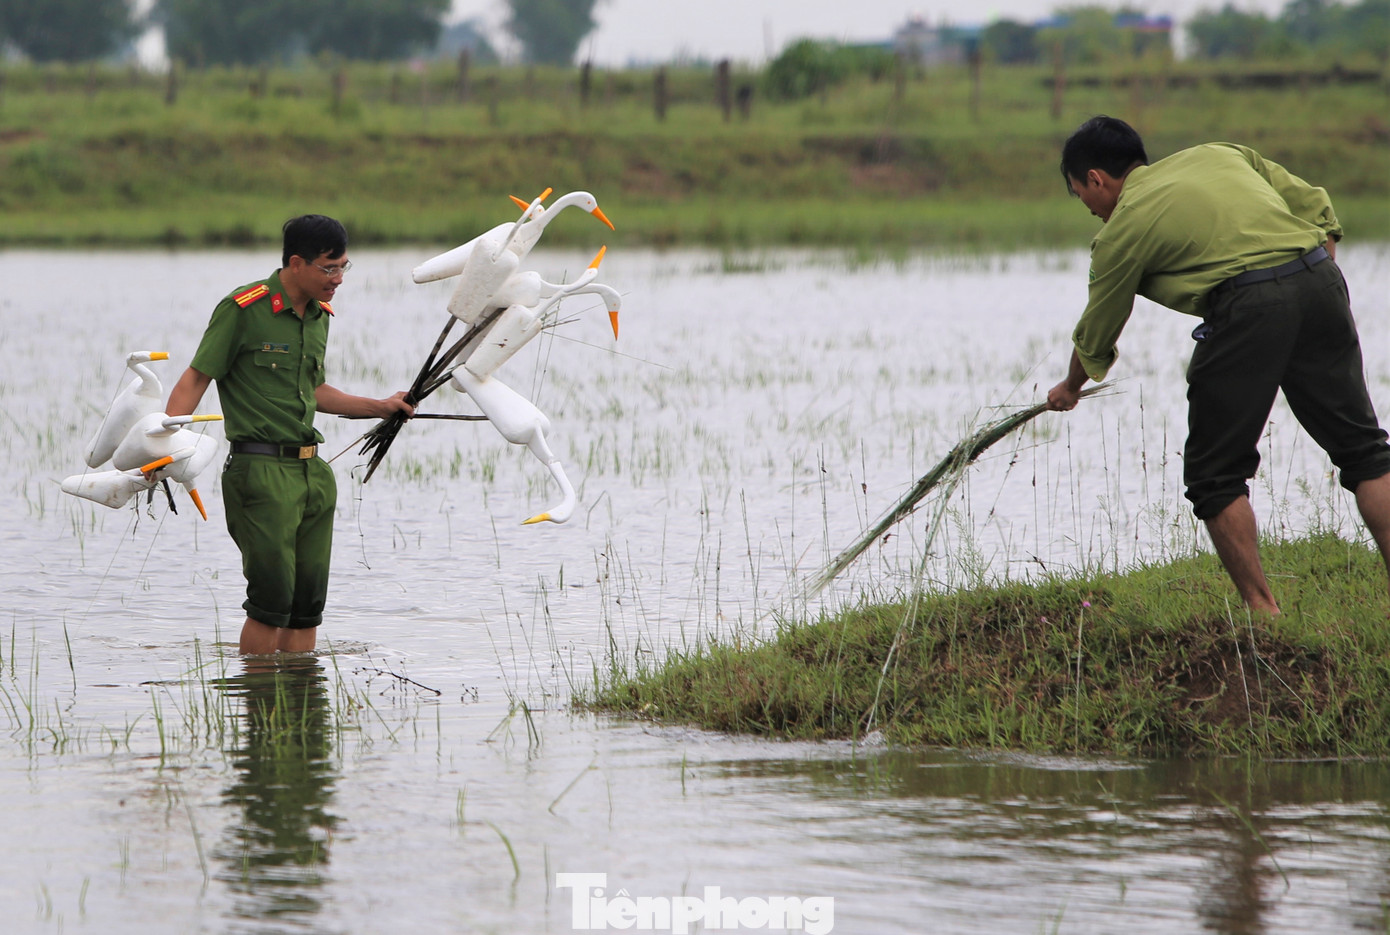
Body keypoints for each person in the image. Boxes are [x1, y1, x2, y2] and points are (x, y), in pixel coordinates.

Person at [1046, 115, 1390, 614]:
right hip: (1319, 279)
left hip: (1248, 305)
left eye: (1083, 197)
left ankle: (1263, 615)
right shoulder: (1221, 153)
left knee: (1214, 476)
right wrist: (1314, 274)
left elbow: (1097, 331)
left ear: (1096, 179)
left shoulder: (1122, 231)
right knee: (1365, 453)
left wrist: (1070, 387)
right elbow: (1314, 203)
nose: (1092, 211)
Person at [166, 215, 414, 654]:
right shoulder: (243, 308)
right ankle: (259, 693)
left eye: (343, 267)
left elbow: (314, 391)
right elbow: (196, 379)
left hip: (313, 474)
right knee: (271, 601)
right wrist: (165, 447)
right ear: (296, 263)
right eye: (329, 268)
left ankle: (301, 693)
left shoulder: (320, 316)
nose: (338, 278)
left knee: (306, 604)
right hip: (259, 471)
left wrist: (380, 407)